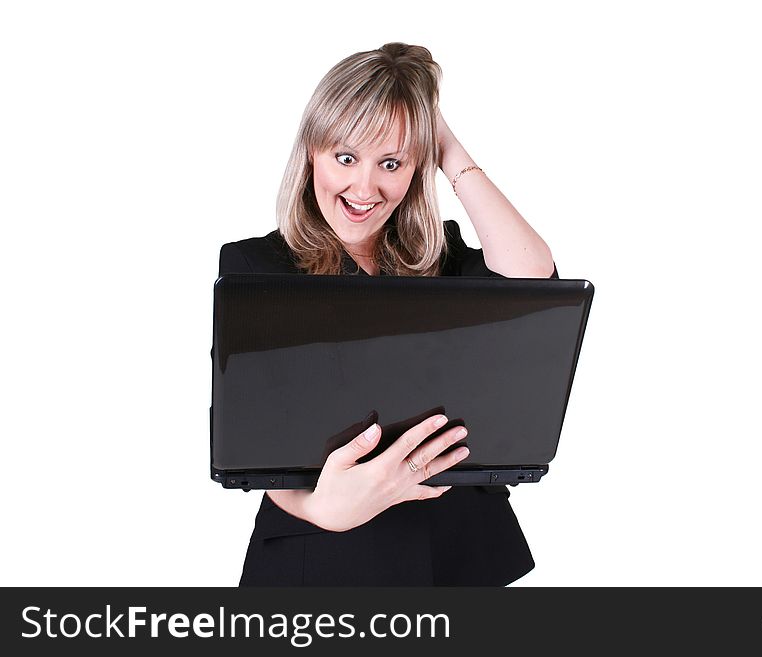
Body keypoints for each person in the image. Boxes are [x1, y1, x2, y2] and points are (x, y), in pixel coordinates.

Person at [219, 43, 557, 586]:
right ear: (312, 153)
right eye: (345, 157)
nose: (364, 188)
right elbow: (251, 428)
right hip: (326, 560)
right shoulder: (256, 267)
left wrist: (445, 145)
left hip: (459, 551)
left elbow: (532, 276)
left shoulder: (439, 257)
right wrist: (320, 511)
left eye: (392, 162)